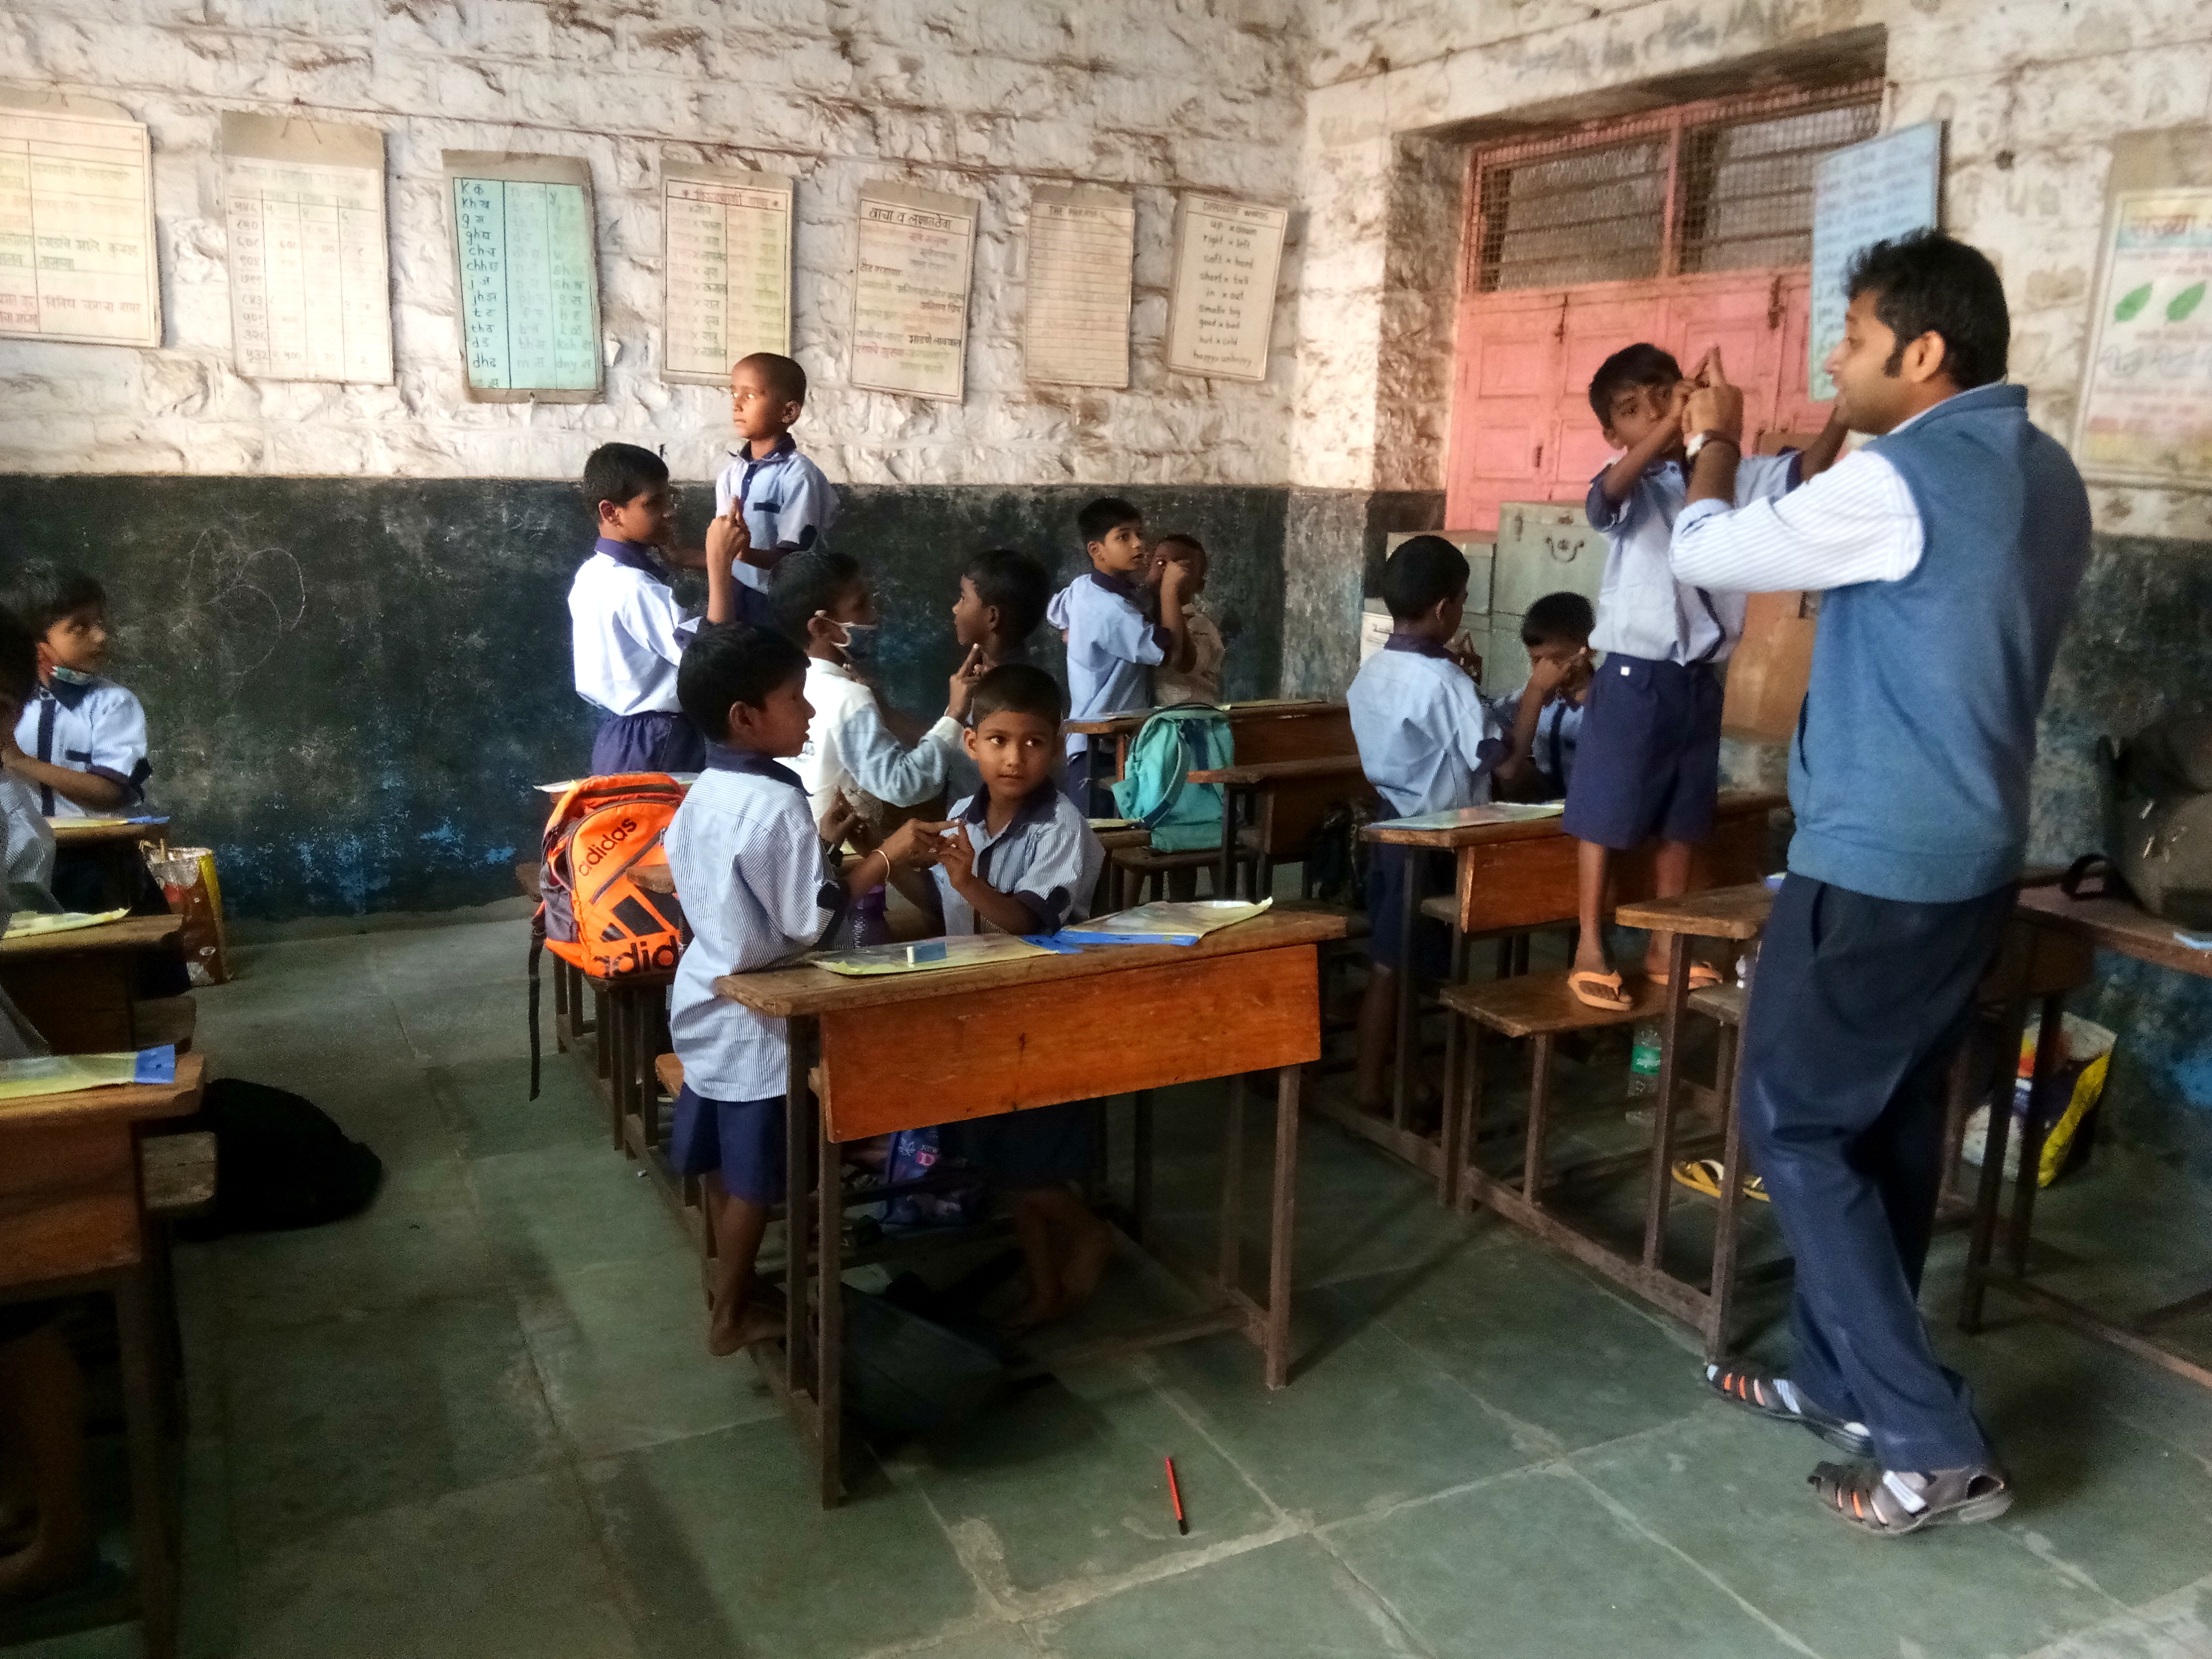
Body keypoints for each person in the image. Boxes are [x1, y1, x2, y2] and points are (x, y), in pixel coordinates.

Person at [1675, 231, 2090, 1534]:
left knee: (1793, 1123)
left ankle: (1928, 1441)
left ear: (1923, 352)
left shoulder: (1902, 477)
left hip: (1877, 859)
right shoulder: (2044, 470)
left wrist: (1713, 443)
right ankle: (1836, 1376)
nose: (1831, 362)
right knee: (1890, 1120)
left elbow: (1707, 552)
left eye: (1851, 339)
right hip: (1969, 854)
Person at [662, 621, 946, 1355]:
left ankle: (731, 1286)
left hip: (707, 997)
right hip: (760, 1017)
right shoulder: (775, 803)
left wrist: (820, 842)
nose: (810, 710)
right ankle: (730, 1314)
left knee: (722, 1160)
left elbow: (753, 890)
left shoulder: (705, 791)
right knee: (757, 1180)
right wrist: (885, 855)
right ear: (745, 717)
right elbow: (807, 922)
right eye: (794, 698)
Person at [1563, 346, 1846, 1011]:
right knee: (1603, 815)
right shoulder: (1630, 484)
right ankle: (1588, 946)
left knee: (1681, 820)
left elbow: (1805, 471)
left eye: (1665, 394)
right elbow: (1604, 498)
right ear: (1612, 433)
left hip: (1698, 679)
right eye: (1632, 410)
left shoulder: (1729, 475)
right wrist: (1679, 423)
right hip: (1633, 676)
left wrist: (1843, 412)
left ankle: (1664, 946)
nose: (1653, 412)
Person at [914, 663, 1113, 1327]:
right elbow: (940, 908)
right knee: (1001, 1161)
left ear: (1055, 746)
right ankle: (1044, 1288)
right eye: (998, 741)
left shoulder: (1061, 827)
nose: (1014, 758)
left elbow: (1032, 920)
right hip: (977, 1013)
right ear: (971, 744)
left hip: (1044, 1015)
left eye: (1032, 743)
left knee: (1030, 1162)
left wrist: (969, 884)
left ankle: (1088, 1234)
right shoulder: (957, 820)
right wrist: (879, 856)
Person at [1346, 535, 1502, 1117]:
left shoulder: (1373, 670)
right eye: (1462, 600)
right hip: (1432, 837)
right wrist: (1533, 695)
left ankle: (1408, 1080)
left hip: (1390, 825)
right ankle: (1369, 1086)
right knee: (1393, 967)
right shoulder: (1446, 682)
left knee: (1399, 964)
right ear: (1444, 608)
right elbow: (1493, 757)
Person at [772, 549, 979, 944]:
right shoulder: (848, 697)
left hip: (798, 853)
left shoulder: (792, 685)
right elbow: (904, 785)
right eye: (860, 605)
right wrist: (955, 714)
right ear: (822, 627)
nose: (874, 616)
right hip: (834, 859)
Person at [569, 442, 705, 776]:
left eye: (669, 498)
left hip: (618, 736)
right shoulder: (634, 587)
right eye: (653, 503)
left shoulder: (591, 574)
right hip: (658, 738)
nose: (669, 512)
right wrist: (718, 564)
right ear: (610, 512)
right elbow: (702, 659)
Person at [1048, 499, 1191, 810]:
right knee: (1102, 832)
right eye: (1124, 537)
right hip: (1102, 744)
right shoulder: (1111, 610)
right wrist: (1169, 591)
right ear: (1096, 550)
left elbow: (1056, 613)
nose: (1138, 543)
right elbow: (1170, 655)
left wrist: (1074, 631)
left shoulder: (1083, 588)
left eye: (1140, 534)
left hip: (1100, 740)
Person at [0, 562, 150, 822]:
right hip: (20, 842)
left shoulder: (114, 704)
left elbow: (112, 793)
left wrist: (21, 761)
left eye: (100, 623)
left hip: (97, 844)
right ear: (36, 643)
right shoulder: (11, 706)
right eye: (80, 627)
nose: (101, 636)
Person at [708, 352, 839, 630]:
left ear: (788, 412)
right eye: (734, 394)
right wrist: (679, 555)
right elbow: (721, 547)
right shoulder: (732, 474)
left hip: (779, 601)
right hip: (735, 589)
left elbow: (795, 560)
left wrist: (744, 553)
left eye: (750, 396)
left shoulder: (798, 475)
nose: (737, 405)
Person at [947, 547, 1053, 806]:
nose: (955, 608)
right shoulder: (975, 676)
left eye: (964, 599)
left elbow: (942, 748)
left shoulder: (1014, 696)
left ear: (992, 616)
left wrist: (953, 713)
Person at [1490, 591, 1595, 803]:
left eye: (1555, 659)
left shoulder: (1606, 700)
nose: (1543, 671)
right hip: (1544, 797)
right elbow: (1491, 717)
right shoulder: (1534, 693)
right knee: (1503, 762)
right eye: (1536, 660)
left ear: (1588, 649)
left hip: (1588, 801)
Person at [1147, 533, 1225, 706]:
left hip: (1191, 717)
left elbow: (1183, 662)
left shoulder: (1202, 627)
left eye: (1181, 568)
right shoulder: (1140, 618)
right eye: (1161, 562)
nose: (1169, 572)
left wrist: (1170, 589)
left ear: (1199, 586)